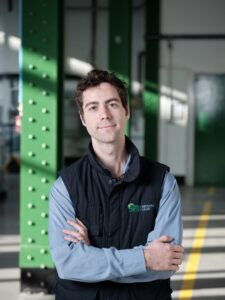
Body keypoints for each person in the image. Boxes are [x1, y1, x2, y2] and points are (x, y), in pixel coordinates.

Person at [48, 69, 183, 300]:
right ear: (83, 119)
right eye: (93, 107)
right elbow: (69, 265)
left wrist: (92, 258)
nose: (104, 115)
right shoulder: (65, 187)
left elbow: (167, 263)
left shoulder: (163, 183)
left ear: (126, 111)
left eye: (112, 104)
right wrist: (145, 258)